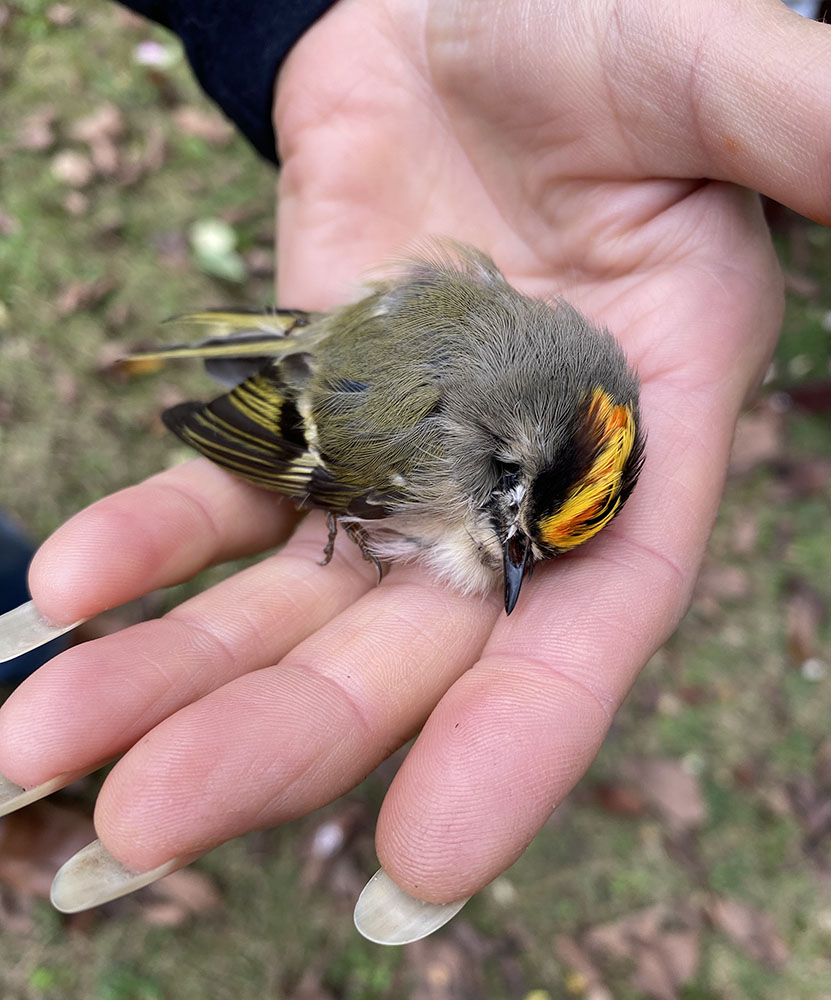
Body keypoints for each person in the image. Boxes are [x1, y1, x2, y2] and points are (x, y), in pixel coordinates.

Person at [1, 0, 829, 939]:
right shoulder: (420, 459)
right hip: (327, 399)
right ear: (501, 459)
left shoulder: (553, 387)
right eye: (515, 530)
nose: (514, 561)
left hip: (378, 344)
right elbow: (303, 441)